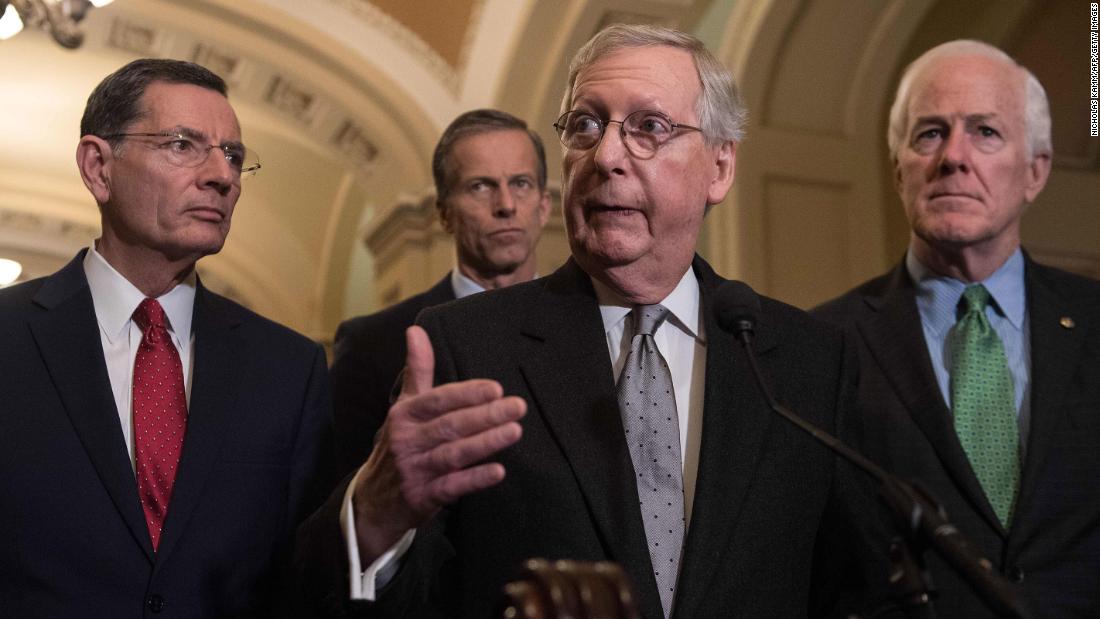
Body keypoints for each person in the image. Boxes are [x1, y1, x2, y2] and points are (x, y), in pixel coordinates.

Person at [299, 24, 874, 618]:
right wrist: (377, 516)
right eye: (585, 126)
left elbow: (856, 590)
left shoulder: (808, 360)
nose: (605, 156)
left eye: (650, 127)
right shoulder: (466, 346)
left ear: (720, 167)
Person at [0, 59, 334, 616]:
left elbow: (305, 574)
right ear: (98, 168)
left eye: (231, 154)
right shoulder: (8, 337)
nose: (222, 176)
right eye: (183, 144)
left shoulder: (289, 367)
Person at [816, 40, 1100, 617]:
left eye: (985, 132)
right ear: (898, 168)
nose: (953, 157)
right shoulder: (823, 345)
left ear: (1035, 171)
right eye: (929, 134)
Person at [330, 109, 551, 478]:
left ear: (543, 207)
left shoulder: (592, 323)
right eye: (480, 186)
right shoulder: (371, 345)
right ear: (445, 214)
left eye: (521, 183)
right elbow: (341, 502)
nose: (506, 205)